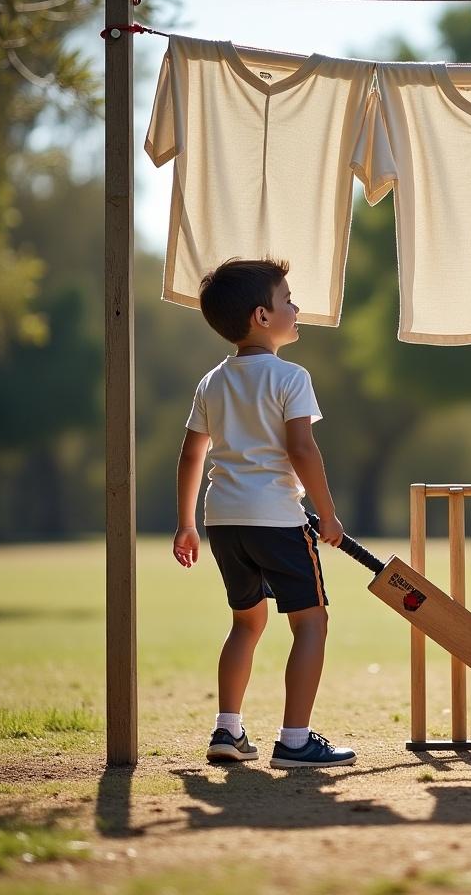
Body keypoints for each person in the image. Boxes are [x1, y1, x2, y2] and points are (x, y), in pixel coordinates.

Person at [172, 257, 356, 768]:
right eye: (288, 300)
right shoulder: (291, 377)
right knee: (311, 622)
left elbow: (192, 454)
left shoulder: (212, 381)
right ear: (262, 315)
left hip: (223, 522)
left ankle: (226, 731)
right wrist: (329, 515)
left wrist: (186, 523)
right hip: (277, 518)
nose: (296, 308)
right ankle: (295, 741)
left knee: (245, 624)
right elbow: (303, 450)